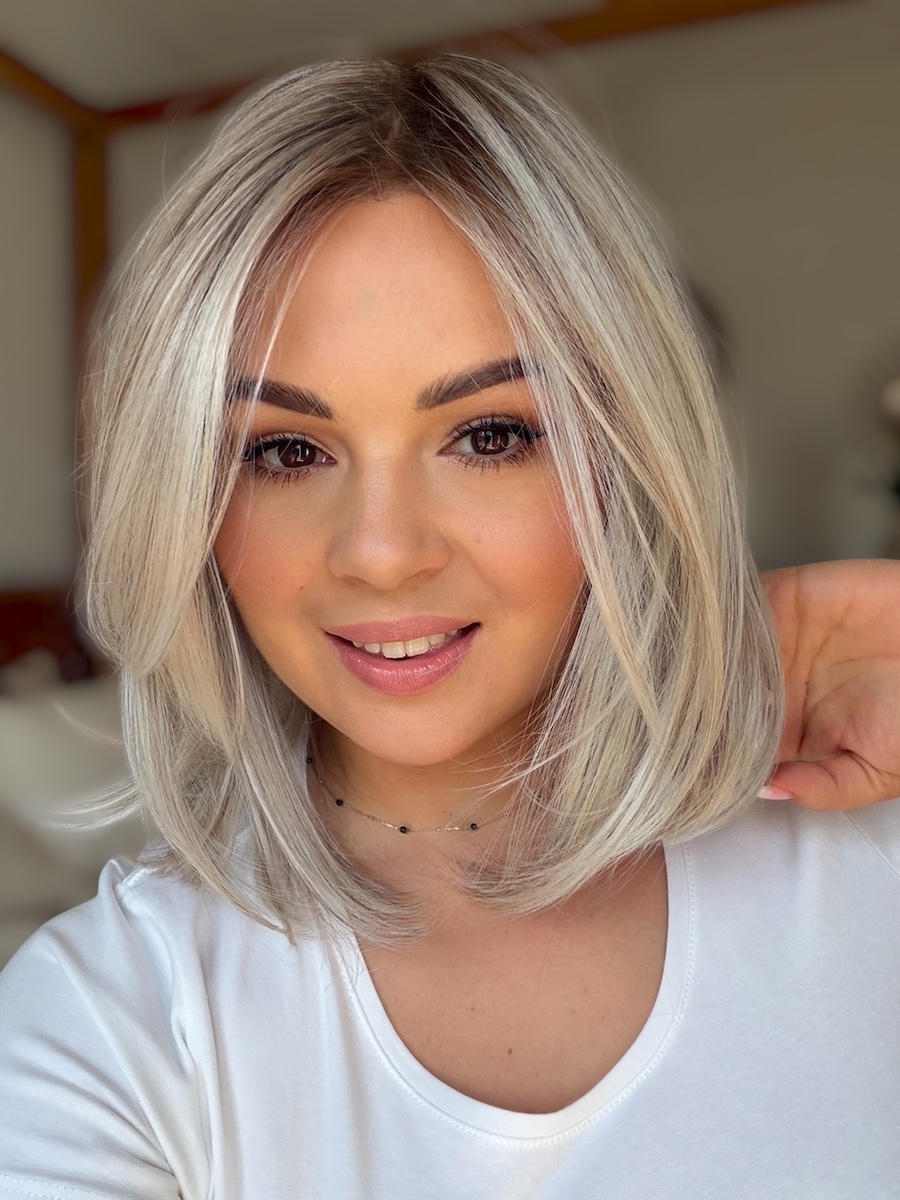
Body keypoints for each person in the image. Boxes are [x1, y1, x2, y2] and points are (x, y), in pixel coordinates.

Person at [1, 55, 898, 1199]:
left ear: (631, 459)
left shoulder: (866, 855)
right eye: (286, 451)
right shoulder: (109, 1017)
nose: (382, 552)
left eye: (490, 436)